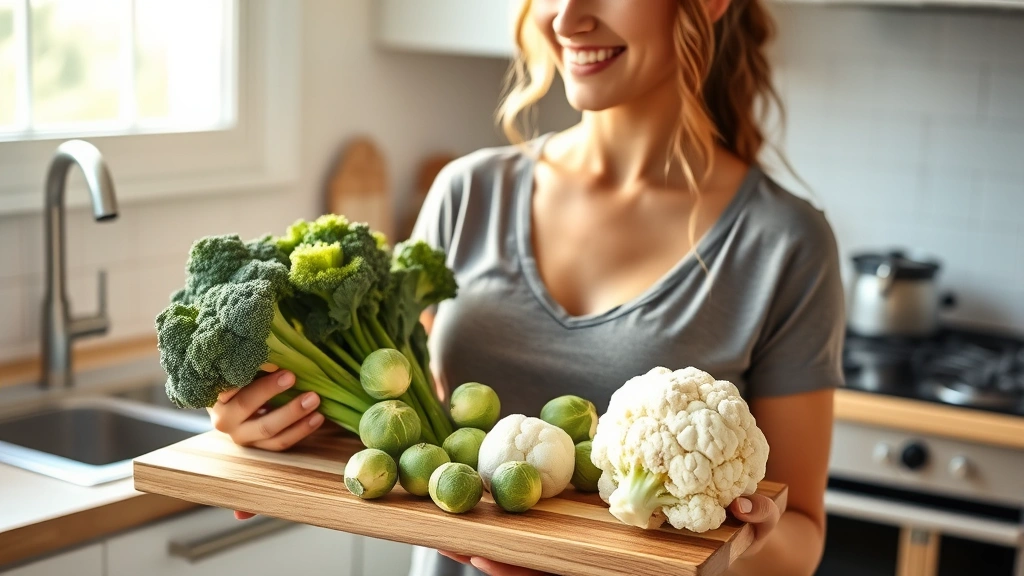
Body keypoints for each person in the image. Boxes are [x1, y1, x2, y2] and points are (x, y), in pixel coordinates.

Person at [208, 0, 844, 574]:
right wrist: (276, 426)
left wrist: (739, 545)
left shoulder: (784, 243)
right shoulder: (468, 194)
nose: (567, 18)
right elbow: (401, 418)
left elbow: (800, 539)